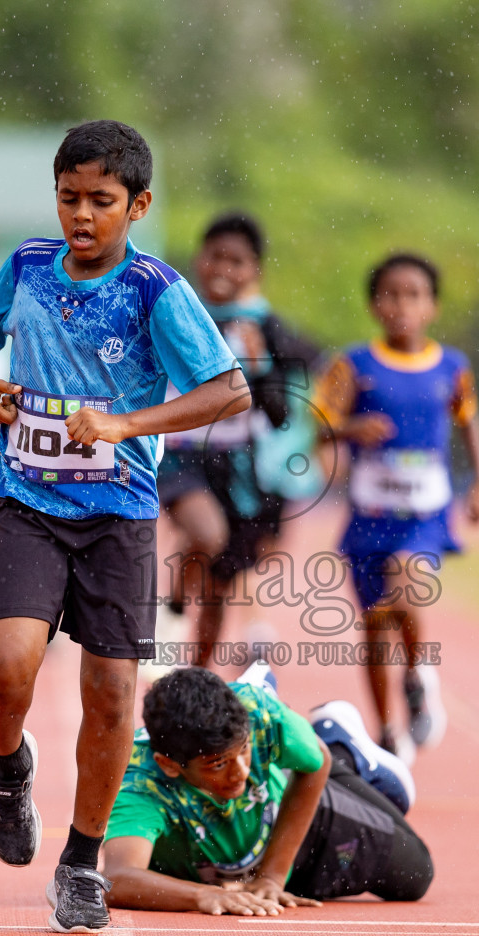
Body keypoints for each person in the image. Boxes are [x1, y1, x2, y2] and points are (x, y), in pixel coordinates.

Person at [0, 120, 247, 933]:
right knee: (7, 665)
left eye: (102, 202)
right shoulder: (24, 268)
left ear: (139, 205)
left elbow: (228, 391)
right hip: (29, 504)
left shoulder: (156, 289)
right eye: (68, 198)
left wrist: (126, 425)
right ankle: (9, 769)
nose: (82, 216)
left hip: (119, 514)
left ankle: (82, 859)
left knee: (112, 691)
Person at [317, 253, 479, 764]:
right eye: (391, 294)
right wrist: (352, 430)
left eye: (414, 294)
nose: (402, 305)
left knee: (406, 581)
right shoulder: (354, 365)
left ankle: (417, 672)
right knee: (374, 622)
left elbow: (470, 423)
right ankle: (386, 731)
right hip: (369, 515)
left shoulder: (452, 368)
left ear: (433, 305)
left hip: (425, 512)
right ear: (375, 304)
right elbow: (317, 425)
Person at [102, 662, 432, 914]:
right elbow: (118, 877)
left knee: (415, 874)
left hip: (285, 813)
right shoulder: (140, 782)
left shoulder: (258, 712)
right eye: (218, 764)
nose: (241, 773)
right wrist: (202, 895)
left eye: (244, 751)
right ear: (169, 765)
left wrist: (273, 876)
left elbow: (319, 762)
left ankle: (341, 738)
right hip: (226, 872)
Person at [155, 212, 321, 668]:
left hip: (238, 465)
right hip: (179, 455)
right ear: (199, 259)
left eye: (237, 262)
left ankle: (197, 676)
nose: (224, 270)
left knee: (219, 586)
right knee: (206, 535)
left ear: (255, 272)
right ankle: (169, 609)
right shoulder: (172, 311)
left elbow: (280, 412)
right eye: (215, 258)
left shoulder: (266, 328)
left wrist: (261, 366)